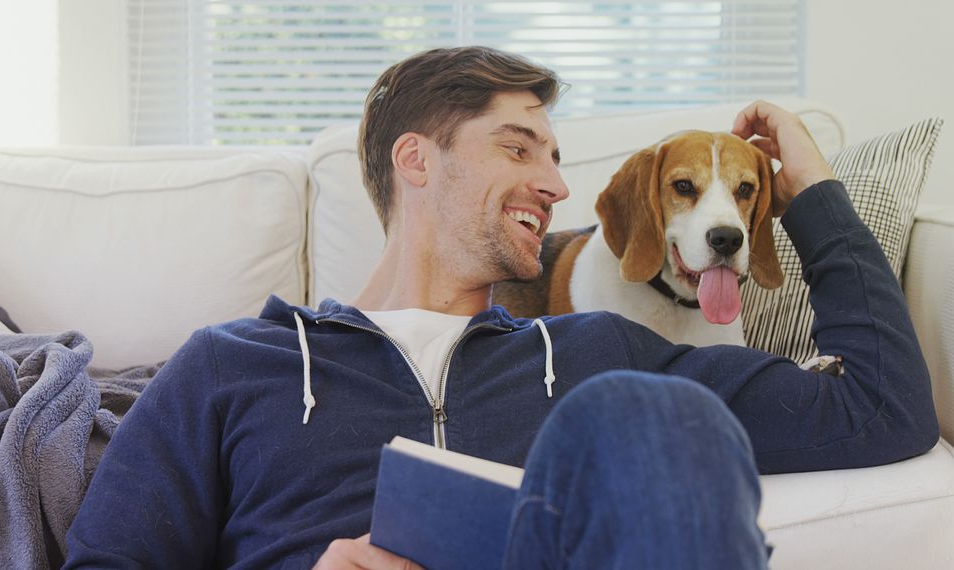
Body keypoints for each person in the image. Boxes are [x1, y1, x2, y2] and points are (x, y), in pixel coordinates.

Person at [64, 46, 938, 569]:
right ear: (417, 162)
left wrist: (812, 190)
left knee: (664, 414)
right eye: (518, 147)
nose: (557, 185)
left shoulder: (599, 349)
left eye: (555, 158)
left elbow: (883, 409)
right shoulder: (231, 364)